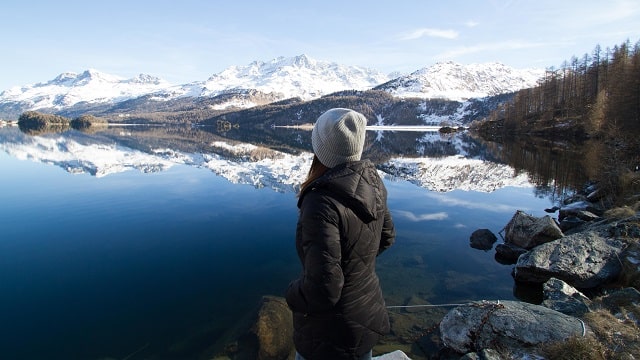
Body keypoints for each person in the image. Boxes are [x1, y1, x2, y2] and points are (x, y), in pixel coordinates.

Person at [286, 108, 396, 360]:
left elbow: (324, 288)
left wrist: (292, 294)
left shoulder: (320, 202)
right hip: (366, 315)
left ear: (321, 148)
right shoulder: (372, 180)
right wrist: (353, 264)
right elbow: (387, 237)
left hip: (327, 333)